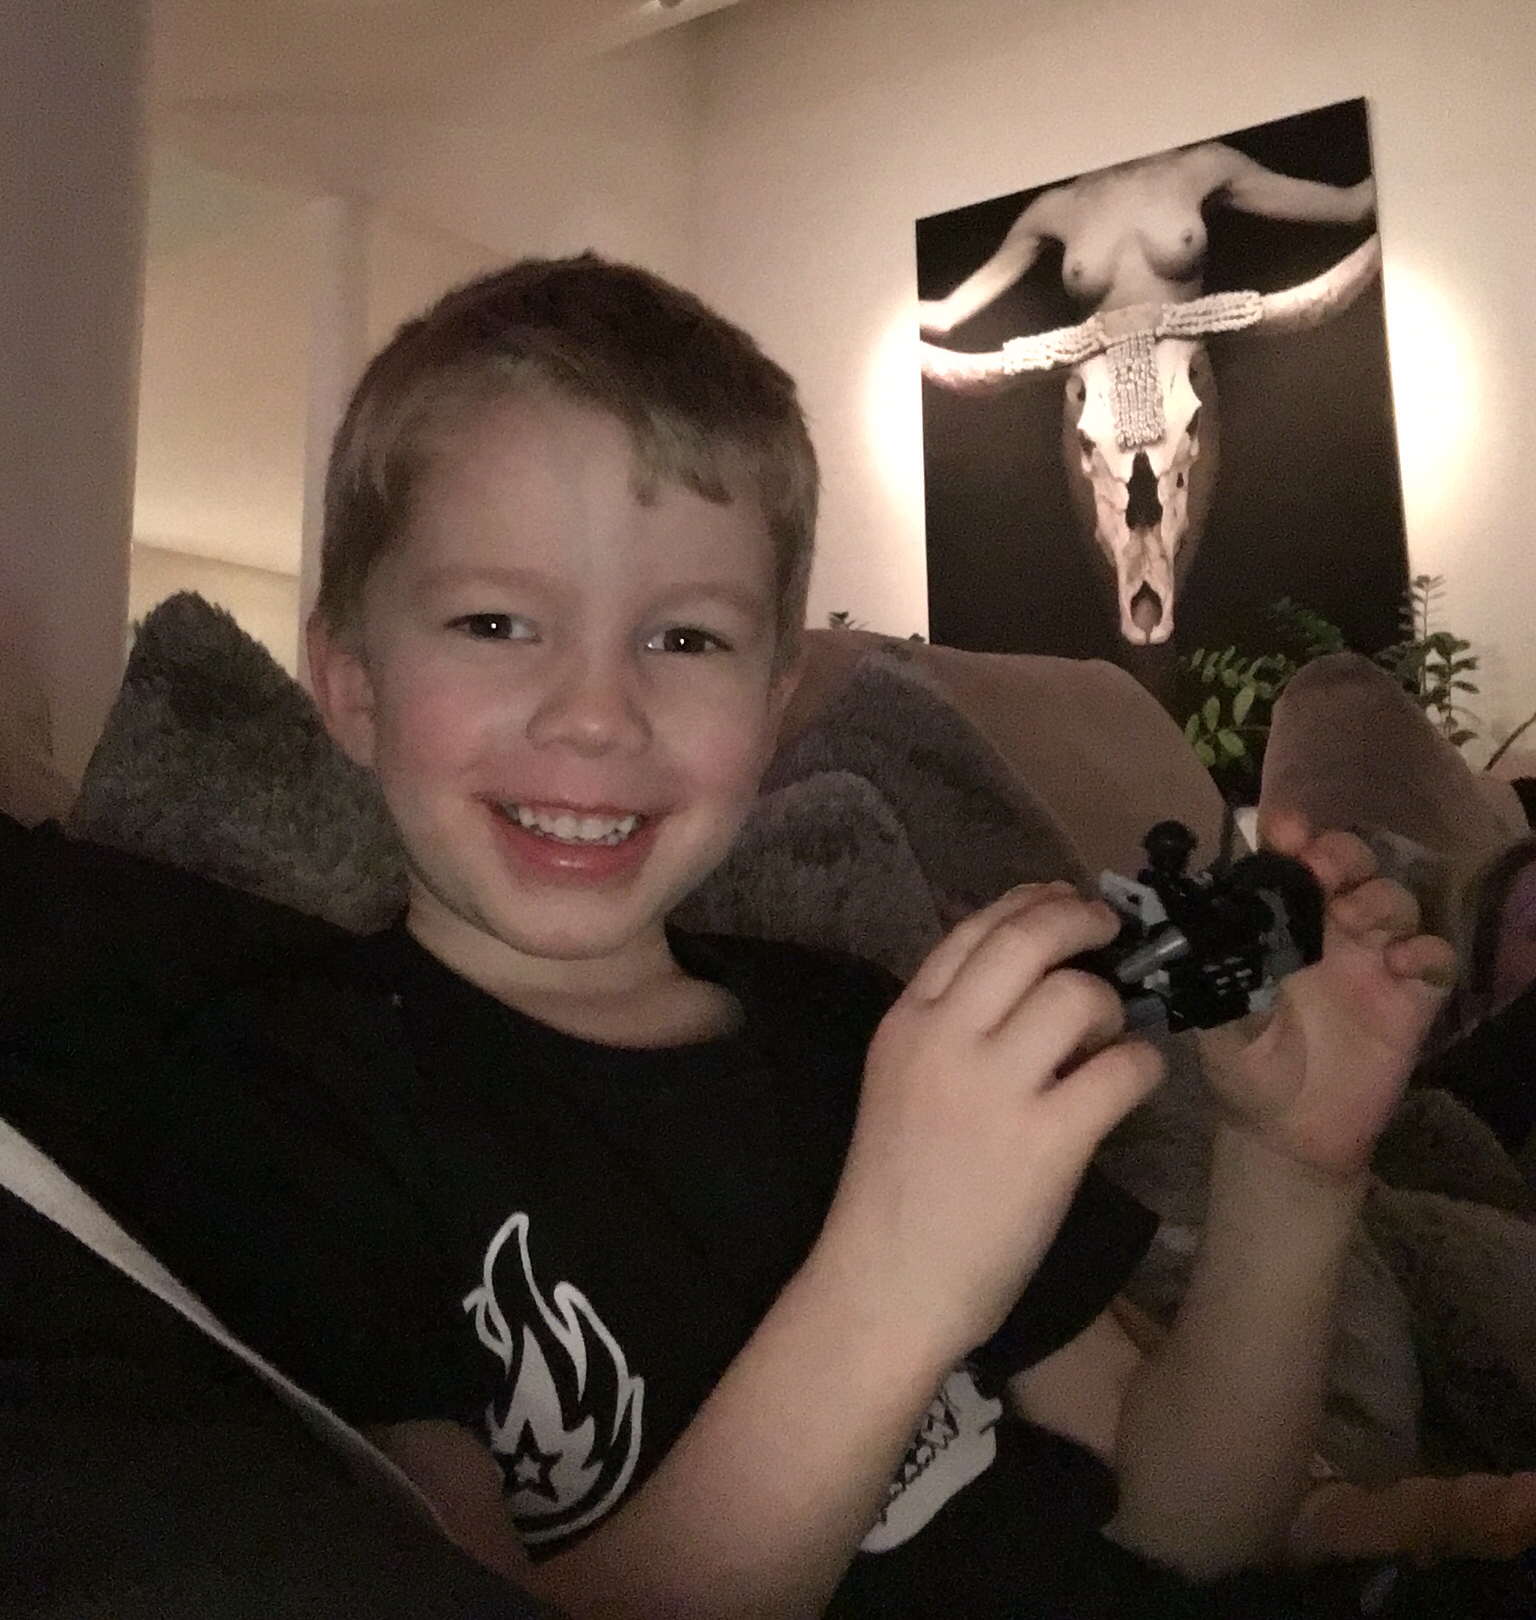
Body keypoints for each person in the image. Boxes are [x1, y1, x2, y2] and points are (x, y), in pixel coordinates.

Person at [0, 255, 1519, 1620]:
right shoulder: (282, 1107)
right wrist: (896, 1277)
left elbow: (1191, 1518)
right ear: (349, 685)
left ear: (778, 697)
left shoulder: (862, 1029)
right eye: (495, 623)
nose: (597, 713)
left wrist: (1294, 1168)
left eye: (686, 637)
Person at [917, 142, 1377, 333]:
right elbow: (946, 315)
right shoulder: (1056, 208)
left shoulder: (1201, 167)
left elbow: (1352, 206)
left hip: (1187, 384)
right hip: (1094, 399)